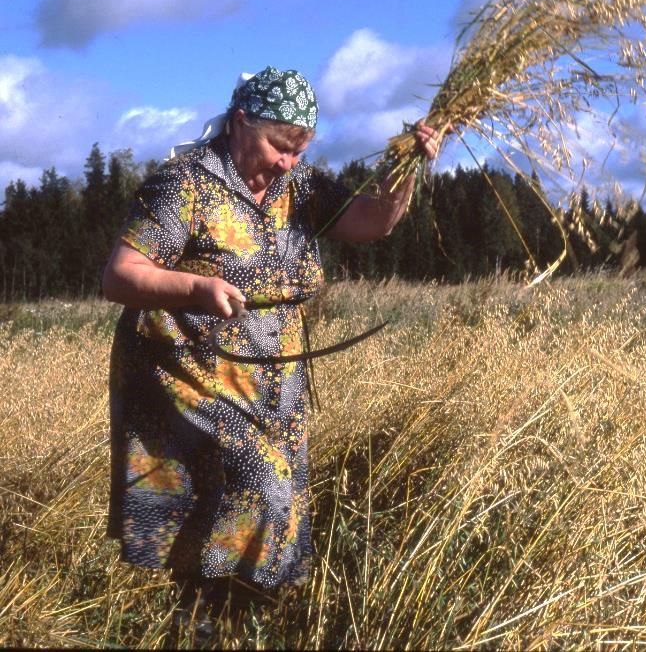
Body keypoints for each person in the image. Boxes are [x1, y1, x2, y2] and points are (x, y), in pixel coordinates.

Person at [102, 66, 439, 640]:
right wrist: (196, 288)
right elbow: (120, 276)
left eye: (299, 149)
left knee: (258, 502)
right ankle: (204, 618)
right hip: (187, 374)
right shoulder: (184, 185)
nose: (288, 162)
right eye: (279, 146)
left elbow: (370, 221)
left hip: (271, 384)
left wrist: (408, 168)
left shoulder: (297, 186)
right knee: (262, 480)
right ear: (239, 123)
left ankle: (229, 622)